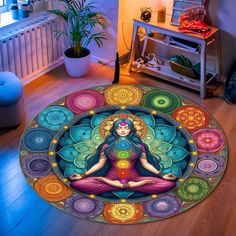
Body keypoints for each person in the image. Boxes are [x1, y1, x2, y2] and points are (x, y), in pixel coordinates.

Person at [70, 119, 177, 195]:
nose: (123, 130)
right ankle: (130, 187)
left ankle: (117, 186)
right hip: (111, 177)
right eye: (119, 128)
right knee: (78, 183)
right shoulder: (106, 147)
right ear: (115, 130)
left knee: (167, 184)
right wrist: (83, 175)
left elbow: (146, 164)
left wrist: (162, 175)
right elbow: (100, 164)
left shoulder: (139, 147)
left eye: (126, 128)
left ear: (131, 130)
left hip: (134, 178)